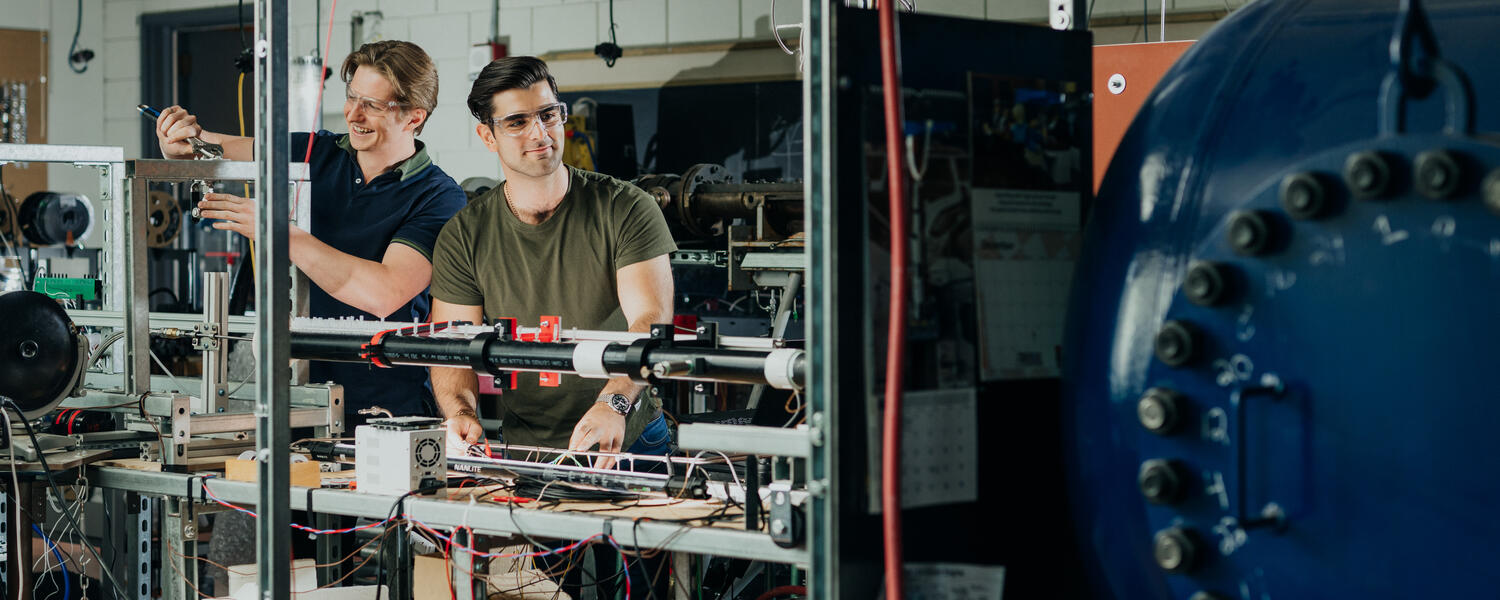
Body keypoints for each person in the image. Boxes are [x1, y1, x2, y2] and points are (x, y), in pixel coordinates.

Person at [428, 56, 676, 597]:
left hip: (629, 439)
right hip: (527, 455)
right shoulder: (464, 235)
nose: (539, 133)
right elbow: (450, 348)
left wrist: (614, 403)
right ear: (487, 137)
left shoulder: (624, 208)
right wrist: (461, 414)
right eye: (517, 122)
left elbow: (651, 323)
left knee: (636, 592)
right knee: (539, 593)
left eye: (548, 114)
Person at [154, 40, 467, 424]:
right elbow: (207, 148)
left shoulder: (438, 196)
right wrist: (178, 143)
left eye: (372, 105)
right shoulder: (313, 153)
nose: (353, 113)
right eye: (352, 97)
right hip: (294, 400)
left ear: (413, 118)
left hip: (384, 411)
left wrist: (279, 232)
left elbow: (383, 293)